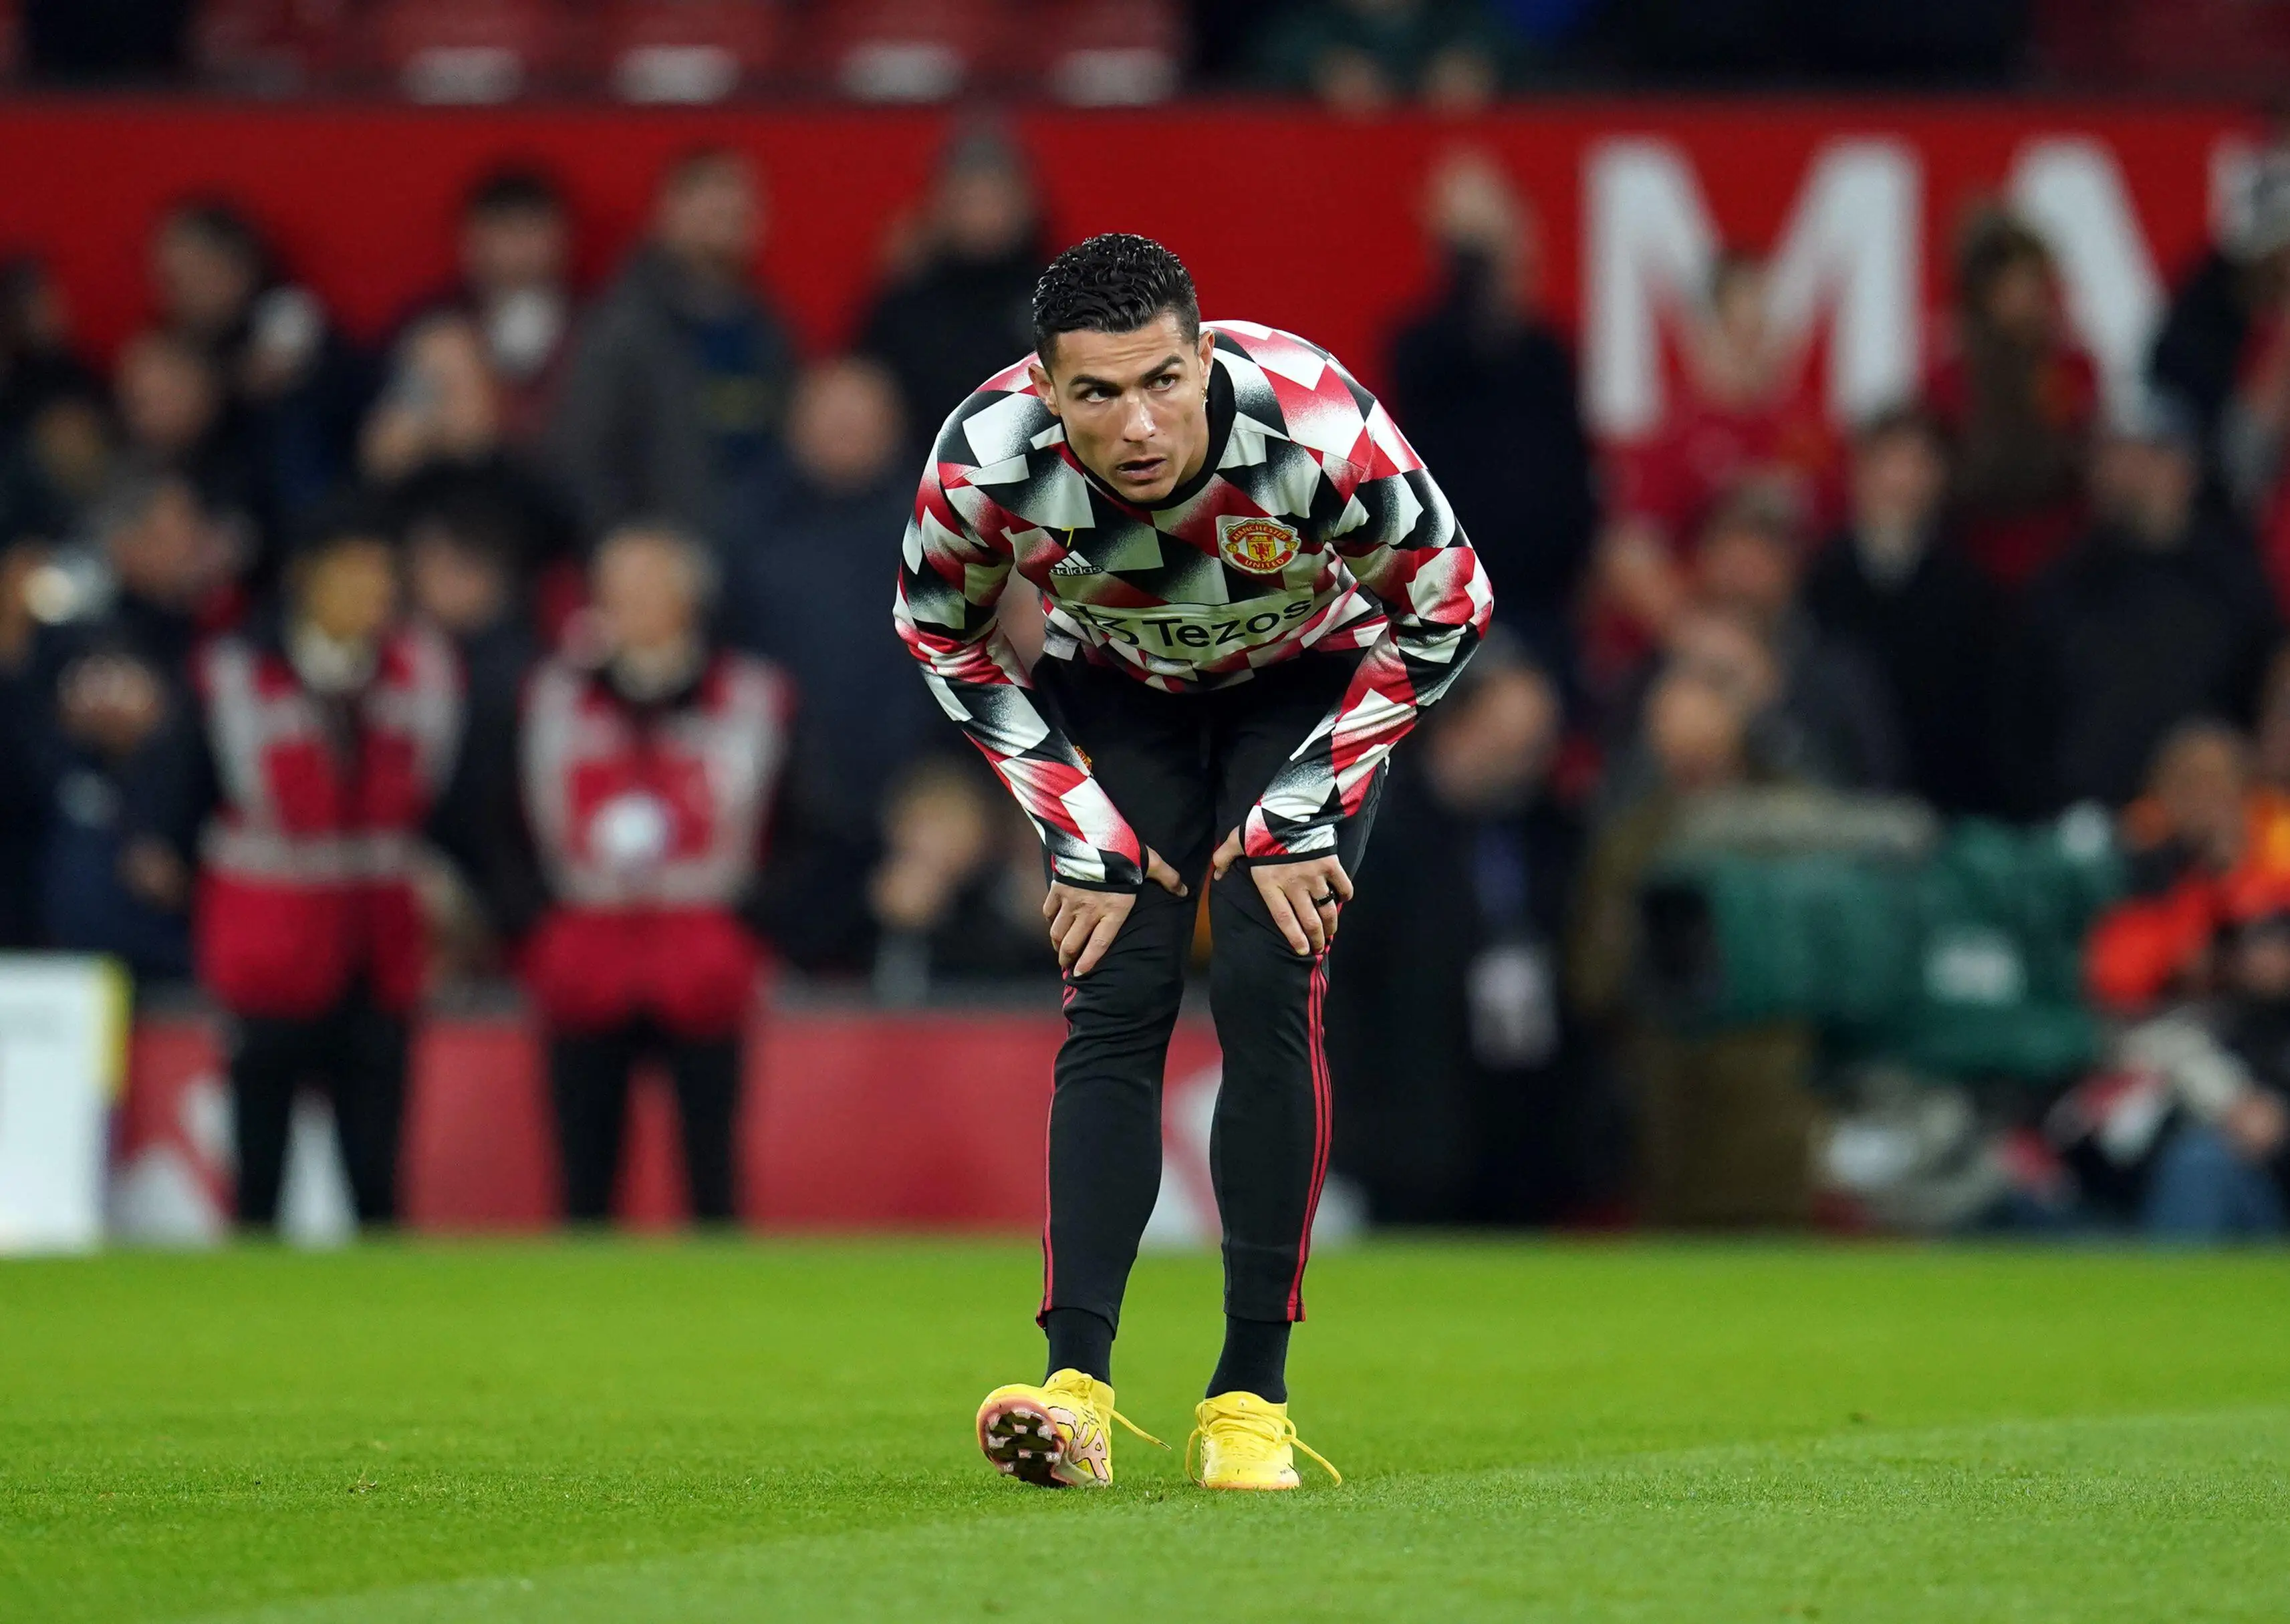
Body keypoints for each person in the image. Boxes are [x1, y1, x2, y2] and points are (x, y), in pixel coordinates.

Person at [895, 235, 1489, 1490]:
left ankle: (1249, 1401)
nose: (1140, 424)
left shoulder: (1313, 422)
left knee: (1272, 978)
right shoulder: (986, 456)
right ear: (1047, 393)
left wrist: (1304, 805)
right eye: (1098, 395)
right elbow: (937, 629)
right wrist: (1075, 821)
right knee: (1112, 992)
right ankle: (1077, 1395)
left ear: (1205, 354)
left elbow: (1448, 601)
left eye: (1164, 380)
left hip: (1308, 691)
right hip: (1123, 693)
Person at [130, 495, 473, 1231]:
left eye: (384, 576)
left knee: (377, 1177)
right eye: (358, 575)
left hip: (378, 955)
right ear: (310, 581)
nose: (376, 593)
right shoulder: (234, 676)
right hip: (270, 955)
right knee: (260, 1173)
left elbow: (450, 808)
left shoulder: (423, 675)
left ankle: (383, 1328)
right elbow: (172, 809)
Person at [509, 524, 794, 1226]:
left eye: (644, 590)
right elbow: (495, 820)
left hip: (704, 957)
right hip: (582, 955)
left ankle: (722, 1316)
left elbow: (806, 824)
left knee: (711, 1171)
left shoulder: (754, 696)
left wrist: (755, 923)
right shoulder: (547, 697)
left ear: (686, 602)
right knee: (583, 1178)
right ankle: (580, 1316)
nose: (623, 606)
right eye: (613, 591)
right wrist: (532, 924)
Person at [1321, 633, 1612, 1224]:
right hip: (1415, 1134)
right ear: (1455, 729)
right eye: (1509, 745)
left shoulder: (1556, 833)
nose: (1525, 765)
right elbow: (1344, 997)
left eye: (1536, 748)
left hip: (1529, 1129)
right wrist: (1359, 1131)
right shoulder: (1375, 837)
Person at [2000, 397, 2279, 815]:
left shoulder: (2233, 584)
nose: (2123, 472)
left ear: (2184, 467)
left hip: (2213, 832)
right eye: (2110, 456)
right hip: (2088, 833)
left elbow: (2265, 708)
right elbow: (2020, 723)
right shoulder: (2062, 588)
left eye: (2140, 455)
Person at [1388, 150, 1596, 678]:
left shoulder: (1548, 355)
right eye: (1478, 251)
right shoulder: (1422, 349)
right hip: (1453, 606)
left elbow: (1575, 475)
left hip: (1549, 609)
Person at [549, 149, 795, 551]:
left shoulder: (771, 331)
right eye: (710, 207)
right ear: (667, 215)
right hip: (656, 565)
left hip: (758, 564)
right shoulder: (620, 328)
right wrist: (627, 550)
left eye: (738, 210)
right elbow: (580, 458)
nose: (727, 220)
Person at [1804, 404, 2005, 813]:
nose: (1901, 482)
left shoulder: (1971, 594)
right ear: (1858, 473)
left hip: (1944, 810)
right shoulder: (1816, 581)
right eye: (1887, 463)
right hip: (1834, 811)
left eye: (1917, 465)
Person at [1925, 209, 2098, 591]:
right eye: (2013, 286)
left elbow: (2082, 462)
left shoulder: (2071, 370)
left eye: (2035, 283)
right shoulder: (1952, 380)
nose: (2029, 299)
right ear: (1983, 297)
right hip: (1974, 567)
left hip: (2064, 564)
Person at [856, 128, 1047, 462]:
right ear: (940, 205)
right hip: (918, 478)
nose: (982, 214)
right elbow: (866, 387)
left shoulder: (1057, 297)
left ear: (1025, 202)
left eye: (994, 197)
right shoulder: (907, 298)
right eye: (968, 198)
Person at [406, 168, 577, 447]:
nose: (518, 252)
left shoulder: (600, 330)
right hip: (462, 480)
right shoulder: (434, 328)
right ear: (470, 243)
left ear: (563, 239)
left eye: (531, 232)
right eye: (504, 233)